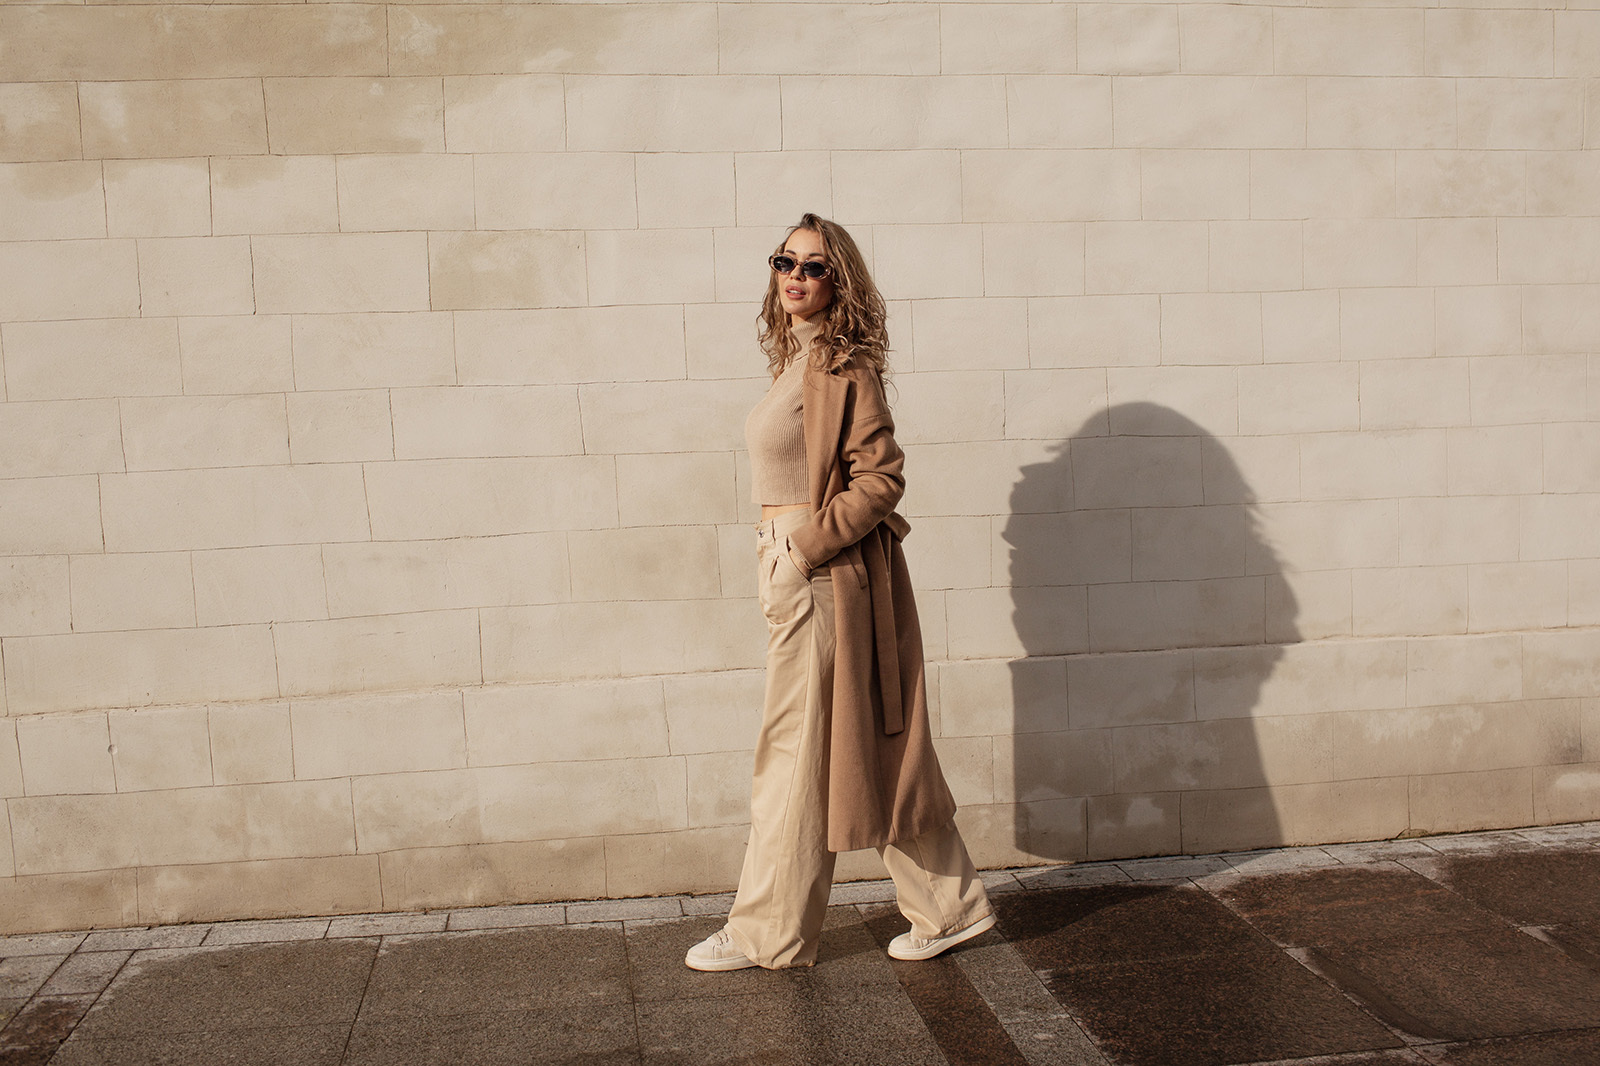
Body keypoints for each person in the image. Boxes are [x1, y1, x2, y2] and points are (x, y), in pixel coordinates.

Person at [685, 214, 995, 971]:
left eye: (814, 266)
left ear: (839, 281)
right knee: (860, 747)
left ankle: (767, 932)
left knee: (791, 757)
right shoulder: (797, 362)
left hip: (818, 577)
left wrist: (801, 549)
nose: (795, 275)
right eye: (785, 261)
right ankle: (950, 908)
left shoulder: (838, 367)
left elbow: (881, 479)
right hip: (793, 569)